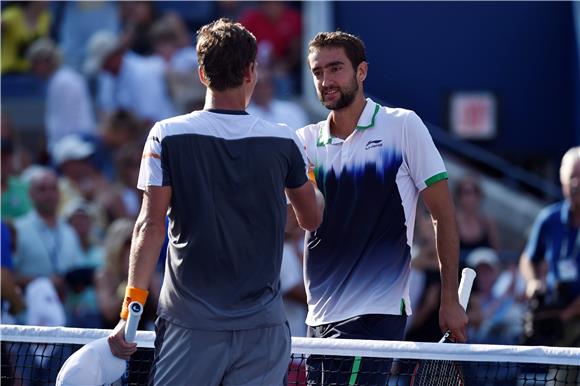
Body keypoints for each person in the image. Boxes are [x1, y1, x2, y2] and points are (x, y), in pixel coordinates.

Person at [108, 18, 324, 385]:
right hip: (262, 329)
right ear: (251, 71)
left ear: (202, 74)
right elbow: (312, 218)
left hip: (190, 327)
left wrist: (130, 311)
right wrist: (305, 181)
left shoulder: (166, 135)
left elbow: (150, 225)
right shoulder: (285, 141)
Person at [295, 31, 467, 385]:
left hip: (377, 312)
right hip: (319, 317)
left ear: (362, 72)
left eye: (336, 68)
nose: (326, 81)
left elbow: (443, 215)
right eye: (317, 72)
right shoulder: (304, 142)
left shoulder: (403, 126)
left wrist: (448, 299)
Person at [520, 146, 580, 349]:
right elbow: (528, 258)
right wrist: (533, 282)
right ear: (562, 180)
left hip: (567, 316)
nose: (576, 184)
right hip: (559, 316)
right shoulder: (549, 219)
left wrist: (566, 315)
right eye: (572, 176)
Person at [27, 38, 97, 153]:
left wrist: (57, 148)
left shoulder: (63, 81)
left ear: (47, 61)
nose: (33, 69)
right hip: (72, 143)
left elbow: (65, 122)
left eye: (35, 63)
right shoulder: (57, 80)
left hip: (75, 144)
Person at [454, 174, 501, 268]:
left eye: (475, 191)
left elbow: (496, 255)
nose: (471, 197)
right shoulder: (452, 221)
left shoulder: (488, 223)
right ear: (459, 196)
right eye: (466, 192)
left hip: (481, 280)